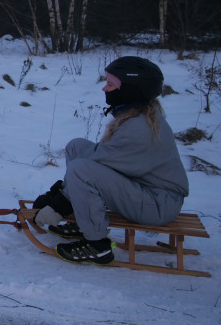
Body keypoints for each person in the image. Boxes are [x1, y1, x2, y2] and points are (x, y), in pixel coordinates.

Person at [33, 56, 189, 265]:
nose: (105, 89)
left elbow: (94, 167)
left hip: (158, 204)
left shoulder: (137, 130)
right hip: (147, 192)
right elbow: (98, 158)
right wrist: (60, 196)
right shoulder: (138, 116)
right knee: (77, 146)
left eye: (111, 84)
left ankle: (97, 245)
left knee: (81, 169)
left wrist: (57, 205)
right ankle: (84, 220)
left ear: (130, 91)